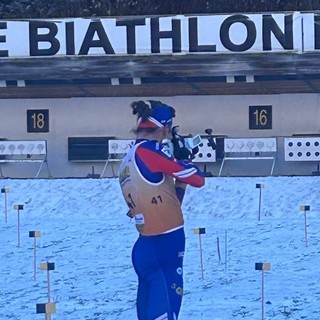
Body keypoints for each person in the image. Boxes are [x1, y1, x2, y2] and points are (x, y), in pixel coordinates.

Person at [118, 100, 205, 320]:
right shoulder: (150, 153)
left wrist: (178, 173)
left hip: (147, 244)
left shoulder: (128, 157)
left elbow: (167, 201)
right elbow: (198, 179)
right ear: (165, 128)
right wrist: (183, 159)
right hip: (165, 245)